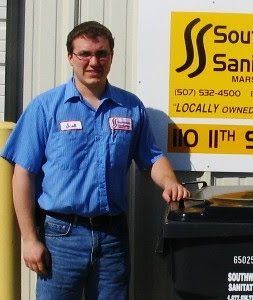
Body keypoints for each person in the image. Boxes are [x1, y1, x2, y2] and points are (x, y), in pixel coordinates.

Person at [1, 21, 190, 299]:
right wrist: (29, 239)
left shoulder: (130, 107)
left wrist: (170, 183)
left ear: (111, 57)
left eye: (102, 54)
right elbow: (23, 174)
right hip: (61, 237)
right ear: (70, 57)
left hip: (112, 237)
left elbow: (151, 159)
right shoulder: (46, 107)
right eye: (85, 54)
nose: (94, 62)